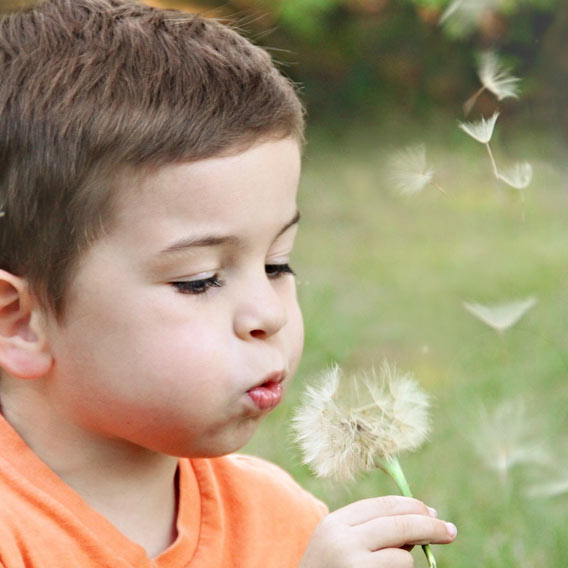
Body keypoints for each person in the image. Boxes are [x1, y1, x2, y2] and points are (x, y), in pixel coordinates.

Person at [0, 1, 457, 566]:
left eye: (277, 264)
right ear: (19, 321)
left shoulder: (284, 521)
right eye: (200, 281)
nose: (269, 314)